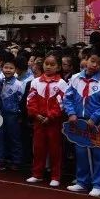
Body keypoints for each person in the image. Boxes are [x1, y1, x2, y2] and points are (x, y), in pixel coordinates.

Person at [63, 41, 100, 197]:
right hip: (79, 121)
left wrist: (95, 117)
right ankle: (81, 181)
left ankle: (98, 184)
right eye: (92, 61)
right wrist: (71, 113)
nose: (94, 65)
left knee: (99, 153)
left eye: (99, 63)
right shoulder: (75, 78)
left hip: (98, 124)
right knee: (81, 152)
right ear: (86, 60)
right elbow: (67, 97)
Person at [26, 52, 68, 188]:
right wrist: (36, 114)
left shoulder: (61, 83)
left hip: (53, 123)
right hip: (39, 121)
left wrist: (50, 116)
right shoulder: (35, 81)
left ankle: (56, 176)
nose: (48, 67)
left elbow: (61, 103)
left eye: (52, 64)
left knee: (55, 149)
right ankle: (37, 173)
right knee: (38, 148)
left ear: (58, 67)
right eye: (46, 64)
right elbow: (30, 99)